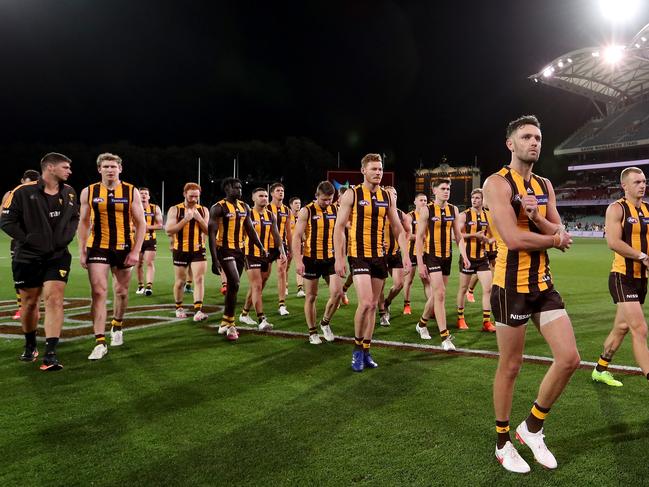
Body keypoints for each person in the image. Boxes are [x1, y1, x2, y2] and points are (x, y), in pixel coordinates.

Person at [483, 115, 577, 473]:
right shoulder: (497, 184)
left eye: (538, 137)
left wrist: (540, 219)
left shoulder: (544, 183)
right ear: (511, 144)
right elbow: (513, 238)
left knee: (568, 358)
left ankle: (532, 427)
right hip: (510, 286)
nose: (534, 142)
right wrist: (553, 238)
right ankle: (503, 442)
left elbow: (557, 226)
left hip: (543, 285)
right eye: (526, 137)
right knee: (511, 366)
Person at [0, 153, 78, 371]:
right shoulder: (22, 192)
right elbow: (6, 221)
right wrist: (29, 239)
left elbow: (74, 216)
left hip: (57, 255)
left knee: (54, 299)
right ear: (50, 168)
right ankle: (30, 344)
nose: (69, 171)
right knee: (30, 303)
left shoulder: (70, 192)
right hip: (28, 256)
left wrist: (66, 236)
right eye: (65, 167)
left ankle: (50, 354)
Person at [334, 153, 411, 372]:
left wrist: (405, 254)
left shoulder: (387, 196)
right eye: (374, 169)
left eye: (380, 169)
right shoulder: (352, 194)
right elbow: (339, 227)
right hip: (358, 255)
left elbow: (397, 227)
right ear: (363, 171)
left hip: (380, 256)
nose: (378, 172)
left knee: (374, 306)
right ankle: (357, 350)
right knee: (366, 303)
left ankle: (366, 350)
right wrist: (339, 258)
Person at [78, 153, 146, 360]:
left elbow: (141, 223)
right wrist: (82, 249)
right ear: (99, 169)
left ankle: (117, 325)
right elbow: (83, 222)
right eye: (106, 166)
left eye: (113, 166)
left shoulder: (130, 191)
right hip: (97, 247)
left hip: (124, 247)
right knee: (99, 291)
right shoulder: (88, 192)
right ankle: (99, 341)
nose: (110, 170)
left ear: (120, 169)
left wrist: (135, 251)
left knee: (121, 291)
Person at [591, 167, 649, 387]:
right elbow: (613, 242)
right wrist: (642, 256)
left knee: (622, 327)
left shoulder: (647, 210)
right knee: (640, 329)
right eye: (637, 182)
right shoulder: (617, 209)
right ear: (624, 186)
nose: (642, 185)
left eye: (644, 181)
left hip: (641, 279)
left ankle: (600, 369)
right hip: (621, 277)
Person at [208, 177, 267, 341]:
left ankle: (225, 322)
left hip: (240, 250)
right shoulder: (218, 208)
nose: (240, 190)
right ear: (227, 188)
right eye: (236, 188)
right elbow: (212, 234)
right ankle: (231, 324)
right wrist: (214, 259)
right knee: (234, 282)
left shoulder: (244, 207)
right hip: (224, 249)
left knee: (233, 288)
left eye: (241, 188)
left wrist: (260, 247)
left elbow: (250, 229)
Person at [414, 178, 469, 349]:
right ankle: (445, 337)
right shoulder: (426, 210)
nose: (446, 191)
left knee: (437, 295)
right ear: (434, 190)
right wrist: (420, 263)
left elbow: (458, 236)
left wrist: (465, 256)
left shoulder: (453, 210)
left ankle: (422, 324)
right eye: (443, 188)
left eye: (448, 188)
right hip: (432, 256)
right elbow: (419, 238)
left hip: (447, 257)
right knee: (440, 294)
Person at [293, 181, 342, 344]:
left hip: (331, 259)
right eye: (324, 200)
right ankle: (312, 332)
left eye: (330, 199)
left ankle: (325, 323)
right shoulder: (306, 211)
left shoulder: (336, 209)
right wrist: (298, 261)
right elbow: (296, 237)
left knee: (337, 294)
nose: (327, 203)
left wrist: (341, 258)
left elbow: (341, 234)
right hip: (311, 259)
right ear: (316, 196)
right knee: (311, 296)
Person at [238, 187, 286, 331]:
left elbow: (276, 234)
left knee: (259, 285)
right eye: (260, 196)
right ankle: (262, 319)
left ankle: (244, 313)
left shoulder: (271, 215)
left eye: (265, 196)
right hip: (250, 254)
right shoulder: (247, 215)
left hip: (266, 255)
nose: (264, 198)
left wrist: (281, 251)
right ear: (253, 198)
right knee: (257, 285)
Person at [165, 182, 209, 322]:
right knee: (180, 281)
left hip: (198, 249)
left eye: (196, 196)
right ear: (184, 194)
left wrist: (199, 219)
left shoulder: (203, 210)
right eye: (191, 196)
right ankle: (178, 307)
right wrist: (185, 219)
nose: (194, 199)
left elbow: (208, 231)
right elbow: (169, 230)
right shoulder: (175, 210)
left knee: (199, 279)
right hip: (180, 250)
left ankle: (198, 310)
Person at [455, 188, 496, 332]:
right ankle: (460, 318)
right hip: (467, 257)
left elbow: (493, 235)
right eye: (473, 198)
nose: (475, 200)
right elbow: (457, 236)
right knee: (463, 288)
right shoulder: (464, 215)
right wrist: (475, 236)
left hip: (482, 257)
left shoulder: (488, 216)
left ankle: (486, 322)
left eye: (478, 198)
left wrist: (488, 240)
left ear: (483, 200)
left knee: (488, 288)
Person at [2, 169, 41, 321]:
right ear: (22, 181)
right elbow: (4, 218)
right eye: (27, 183)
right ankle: (22, 308)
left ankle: (35, 305)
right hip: (20, 242)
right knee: (20, 277)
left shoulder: (45, 194)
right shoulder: (12, 194)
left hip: (41, 242)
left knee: (43, 276)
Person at [377, 186, 412, 326]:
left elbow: (408, 231)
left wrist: (403, 244)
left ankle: (387, 302)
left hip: (395, 254)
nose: (393, 196)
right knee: (381, 286)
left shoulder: (401, 214)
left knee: (399, 284)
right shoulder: (379, 211)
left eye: (395, 194)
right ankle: (382, 314)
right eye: (390, 194)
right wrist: (378, 241)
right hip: (380, 254)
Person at [403, 193, 429, 315]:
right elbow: (407, 236)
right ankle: (406, 304)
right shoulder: (410, 216)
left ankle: (431, 306)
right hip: (411, 252)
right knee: (408, 280)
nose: (423, 202)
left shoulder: (428, 215)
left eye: (425, 200)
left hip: (425, 252)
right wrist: (420, 237)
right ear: (415, 202)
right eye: (421, 200)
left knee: (426, 280)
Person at [268, 183, 292, 315]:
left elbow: (288, 231)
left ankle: (282, 305)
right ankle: (254, 299)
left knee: (282, 272)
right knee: (263, 277)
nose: (281, 192)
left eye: (282, 190)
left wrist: (291, 249)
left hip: (281, 246)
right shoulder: (266, 208)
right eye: (278, 190)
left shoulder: (286, 210)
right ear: (272, 193)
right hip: (266, 246)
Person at [135, 187, 163, 296]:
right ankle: (140, 285)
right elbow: (128, 225)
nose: (143, 195)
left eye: (146, 193)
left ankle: (149, 286)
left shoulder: (155, 208)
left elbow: (160, 225)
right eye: (141, 193)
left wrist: (146, 227)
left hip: (150, 240)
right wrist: (140, 228)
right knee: (138, 264)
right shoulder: (133, 208)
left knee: (149, 262)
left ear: (149, 196)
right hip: (137, 240)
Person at [289, 196, 305, 298]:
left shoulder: (302, 215)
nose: (298, 205)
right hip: (288, 244)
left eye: (299, 203)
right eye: (296, 203)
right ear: (291, 205)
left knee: (300, 264)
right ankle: (284, 286)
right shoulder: (287, 215)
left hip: (300, 244)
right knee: (286, 267)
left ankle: (300, 288)